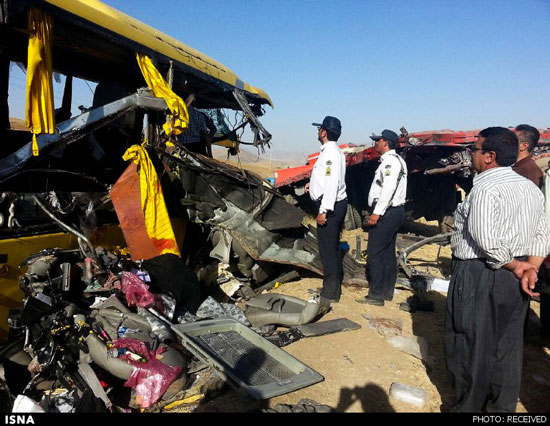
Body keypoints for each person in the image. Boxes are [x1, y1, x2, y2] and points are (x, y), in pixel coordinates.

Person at [445, 127, 550, 412]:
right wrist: (531, 268)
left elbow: (486, 239)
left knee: (470, 343)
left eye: (474, 150)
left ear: (490, 156)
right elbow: (543, 234)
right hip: (515, 277)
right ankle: (501, 409)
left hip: (480, 273)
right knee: (507, 346)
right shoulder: (530, 188)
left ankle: (468, 407)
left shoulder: (485, 187)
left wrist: (518, 266)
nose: (471, 155)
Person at [355, 129, 407, 307]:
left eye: (377, 141)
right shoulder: (397, 161)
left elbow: (388, 189)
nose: (375, 143)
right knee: (387, 254)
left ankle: (376, 295)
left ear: (385, 142)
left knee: (375, 253)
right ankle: (386, 291)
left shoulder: (390, 163)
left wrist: (377, 212)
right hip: (394, 211)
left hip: (387, 212)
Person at [305, 116, 347, 311]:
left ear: (324, 132)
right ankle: (330, 288)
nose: (317, 132)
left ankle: (329, 293)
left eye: (319, 128)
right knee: (331, 248)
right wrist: (312, 186)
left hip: (330, 207)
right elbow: (326, 180)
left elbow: (331, 184)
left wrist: (323, 210)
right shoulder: (333, 152)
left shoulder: (330, 154)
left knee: (328, 251)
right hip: (332, 204)